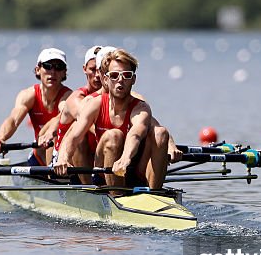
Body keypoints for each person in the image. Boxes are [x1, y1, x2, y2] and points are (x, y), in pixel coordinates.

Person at [54, 48, 172, 189]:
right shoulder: (94, 104)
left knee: (161, 133)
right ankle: (114, 193)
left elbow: (135, 135)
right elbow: (74, 136)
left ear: (133, 79)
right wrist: (63, 158)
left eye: (126, 75)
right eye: (114, 75)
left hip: (131, 167)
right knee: (113, 136)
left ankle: (155, 194)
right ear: (106, 79)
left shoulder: (141, 108)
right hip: (103, 172)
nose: (120, 80)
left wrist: (125, 158)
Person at [0, 48, 71, 165]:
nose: (53, 72)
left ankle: (54, 174)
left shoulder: (68, 96)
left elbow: (62, 115)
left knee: (53, 137)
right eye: (47, 66)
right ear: (38, 70)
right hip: (39, 153)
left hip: (61, 153)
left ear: (64, 72)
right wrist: (0, 138)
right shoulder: (28, 95)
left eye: (58, 67)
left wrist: (50, 133)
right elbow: (13, 120)